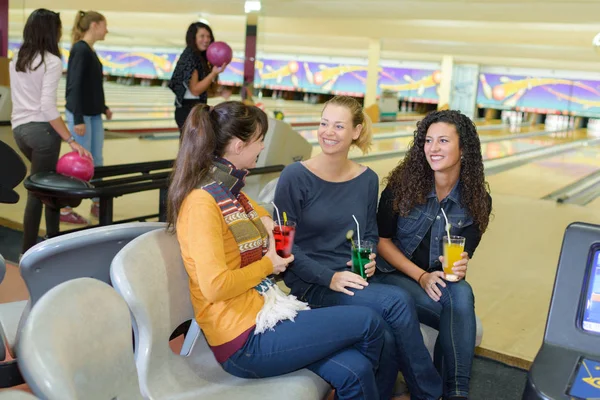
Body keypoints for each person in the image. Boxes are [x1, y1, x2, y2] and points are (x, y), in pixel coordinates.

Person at [166, 101, 398, 400]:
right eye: (260, 138)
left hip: (265, 315)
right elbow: (214, 286)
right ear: (238, 145)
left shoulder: (231, 193)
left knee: (356, 370)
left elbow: (268, 220)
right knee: (369, 322)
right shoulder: (202, 202)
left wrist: (267, 223)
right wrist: (268, 264)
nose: (263, 145)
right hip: (242, 339)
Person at [273, 95, 443, 400]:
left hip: (355, 279)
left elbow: (368, 232)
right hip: (314, 284)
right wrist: (330, 277)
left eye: (339, 125)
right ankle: (430, 394)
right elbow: (283, 247)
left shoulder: (367, 179)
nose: (328, 131)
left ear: (356, 131)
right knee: (397, 301)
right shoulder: (295, 177)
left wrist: (368, 257)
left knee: (388, 335)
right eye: (324, 123)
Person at [371, 110, 493, 400]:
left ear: (464, 149)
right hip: (390, 276)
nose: (433, 148)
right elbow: (380, 240)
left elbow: (462, 256)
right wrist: (421, 276)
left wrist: (461, 265)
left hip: (433, 281)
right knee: (459, 314)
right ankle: (447, 393)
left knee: (461, 292)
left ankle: (453, 393)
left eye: (443, 141)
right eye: (428, 140)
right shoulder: (402, 186)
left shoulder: (477, 200)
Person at [9, 8, 91, 255]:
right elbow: (46, 107)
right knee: (41, 192)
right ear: (51, 32)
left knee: (45, 187)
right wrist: (70, 139)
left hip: (20, 131)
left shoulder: (17, 59)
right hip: (42, 134)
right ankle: (30, 251)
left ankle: (50, 241)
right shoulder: (51, 61)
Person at [63, 10, 111, 223]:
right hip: (81, 115)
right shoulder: (80, 50)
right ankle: (65, 207)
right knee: (81, 163)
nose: (106, 30)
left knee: (97, 160)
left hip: (93, 114)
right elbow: (73, 86)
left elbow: (91, 86)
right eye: (104, 25)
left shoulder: (89, 50)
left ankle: (96, 203)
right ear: (94, 25)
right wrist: (79, 118)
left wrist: (103, 107)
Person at [168, 22, 228, 133]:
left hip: (192, 109)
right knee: (195, 149)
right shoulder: (191, 57)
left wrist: (219, 93)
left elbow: (200, 93)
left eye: (208, 36)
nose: (206, 40)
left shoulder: (198, 57)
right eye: (202, 36)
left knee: (194, 149)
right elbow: (195, 90)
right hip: (188, 111)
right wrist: (213, 74)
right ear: (193, 37)